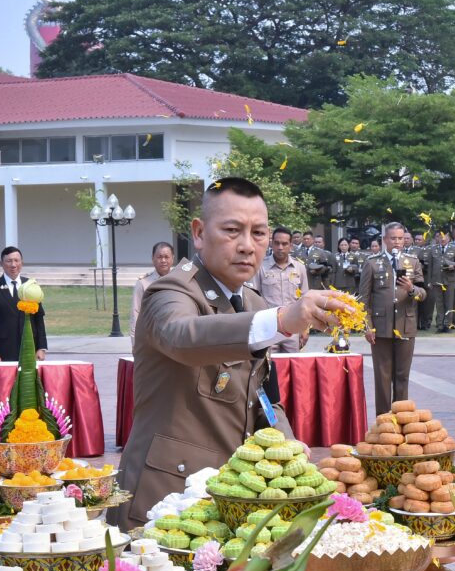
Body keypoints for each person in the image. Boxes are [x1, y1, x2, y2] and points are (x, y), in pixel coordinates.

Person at [113, 178, 351, 529]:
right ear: (199, 233)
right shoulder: (170, 291)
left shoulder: (253, 302)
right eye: (232, 230)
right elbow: (183, 336)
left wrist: (287, 444)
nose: (247, 246)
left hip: (229, 497)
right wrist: (282, 319)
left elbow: (262, 395)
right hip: (165, 498)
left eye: (259, 233)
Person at [359, 223, 425, 414]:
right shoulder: (372, 263)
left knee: (402, 376)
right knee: (382, 377)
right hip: (381, 327)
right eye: (393, 238)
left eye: (400, 238)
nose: (397, 242)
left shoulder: (413, 262)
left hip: (406, 325)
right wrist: (367, 326)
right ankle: (383, 420)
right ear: (384, 240)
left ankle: (401, 418)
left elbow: (423, 294)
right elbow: (364, 299)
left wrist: (411, 289)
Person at [0, 247, 47, 362]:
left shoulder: (31, 285)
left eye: (17, 260)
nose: (13, 265)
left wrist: (41, 348)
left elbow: (39, 319)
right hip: (3, 350)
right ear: (1, 263)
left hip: (30, 348)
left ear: (22, 262)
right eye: (9, 261)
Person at [252, 227, 310, 352]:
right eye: (277, 243)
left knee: (293, 363)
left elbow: (305, 301)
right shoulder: (260, 267)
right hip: (269, 327)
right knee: (269, 363)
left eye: (284, 244)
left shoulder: (299, 268)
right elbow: (253, 298)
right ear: (271, 244)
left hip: (293, 327)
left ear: (291, 246)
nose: (280, 247)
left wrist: (305, 328)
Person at [129, 242, 174, 340]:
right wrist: (135, 341)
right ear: (153, 259)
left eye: (166, 257)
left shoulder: (179, 281)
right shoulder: (143, 283)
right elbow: (135, 312)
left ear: (172, 259)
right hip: (152, 337)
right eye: (159, 257)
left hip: (174, 336)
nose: (163, 260)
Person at [423, 232, 448, 332]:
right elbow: (430, 267)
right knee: (437, 303)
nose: (441, 239)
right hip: (436, 280)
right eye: (438, 237)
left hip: (448, 280)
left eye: (443, 237)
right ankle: (438, 324)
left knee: (448, 303)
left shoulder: (452, 248)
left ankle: (446, 323)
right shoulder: (432, 249)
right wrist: (429, 281)